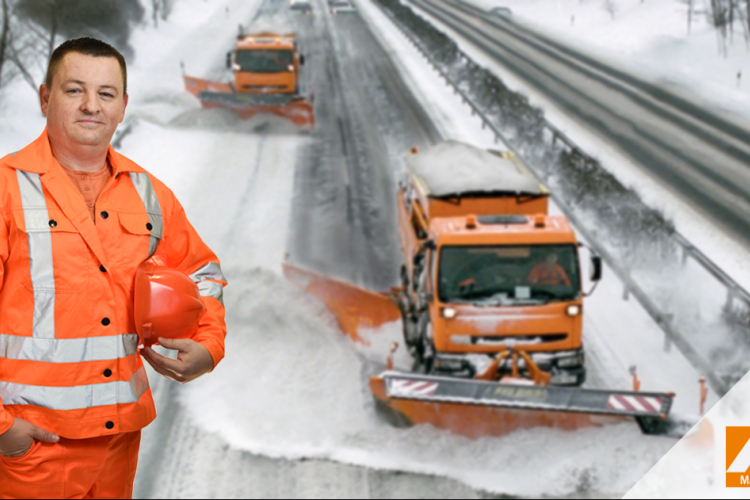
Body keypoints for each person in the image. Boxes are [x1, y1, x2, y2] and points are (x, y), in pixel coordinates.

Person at [0, 38, 227, 499]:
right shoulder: (6, 191)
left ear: (123, 107)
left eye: (106, 94)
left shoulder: (147, 195)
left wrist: (209, 344)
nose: (91, 105)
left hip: (118, 443)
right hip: (32, 448)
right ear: (45, 98)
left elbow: (203, 271)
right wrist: (4, 430)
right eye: (73, 90)